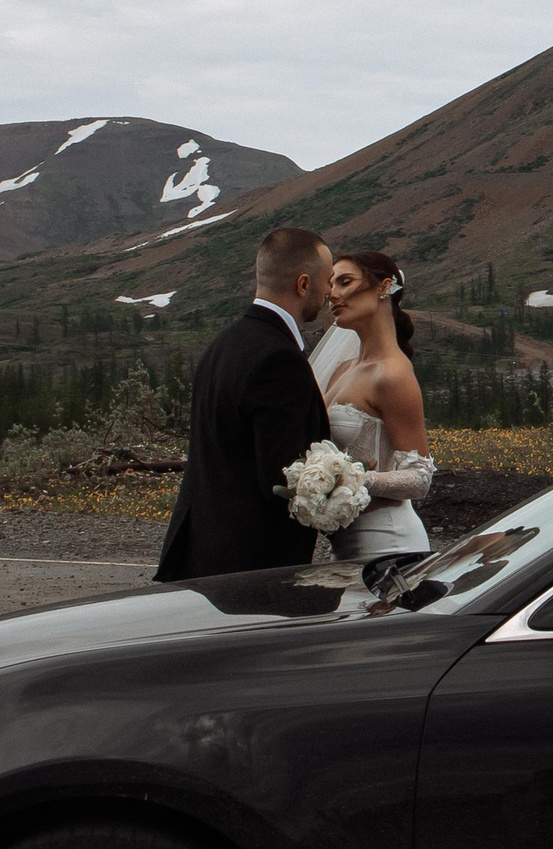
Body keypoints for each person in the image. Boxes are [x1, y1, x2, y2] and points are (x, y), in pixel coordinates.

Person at [152, 226, 333, 582]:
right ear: (303, 285)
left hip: (202, 551)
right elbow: (281, 480)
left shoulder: (222, 346)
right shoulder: (279, 359)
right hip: (251, 567)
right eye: (327, 281)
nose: (329, 291)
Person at [312, 249, 435, 561]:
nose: (333, 294)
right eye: (330, 285)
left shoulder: (393, 374)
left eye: (345, 282)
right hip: (343, 544)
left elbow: (420, 477)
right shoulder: (342, 371)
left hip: (388, 542)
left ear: (383, 287)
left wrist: (352, 479)